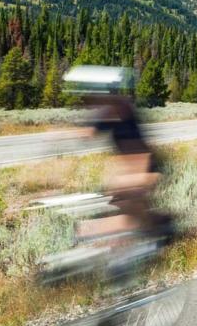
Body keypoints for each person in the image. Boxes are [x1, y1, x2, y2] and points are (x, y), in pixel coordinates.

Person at [63, 65, 171, 242]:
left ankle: (158, 231)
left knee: (128, 209)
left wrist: (131, 180)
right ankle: (156, 232)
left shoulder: (120, 107)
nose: (86, 99)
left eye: (89, 93)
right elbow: (90, 132)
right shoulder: (108, 108)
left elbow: (138, 152)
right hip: (132, 167)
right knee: (131, 212)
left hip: (145, 166)